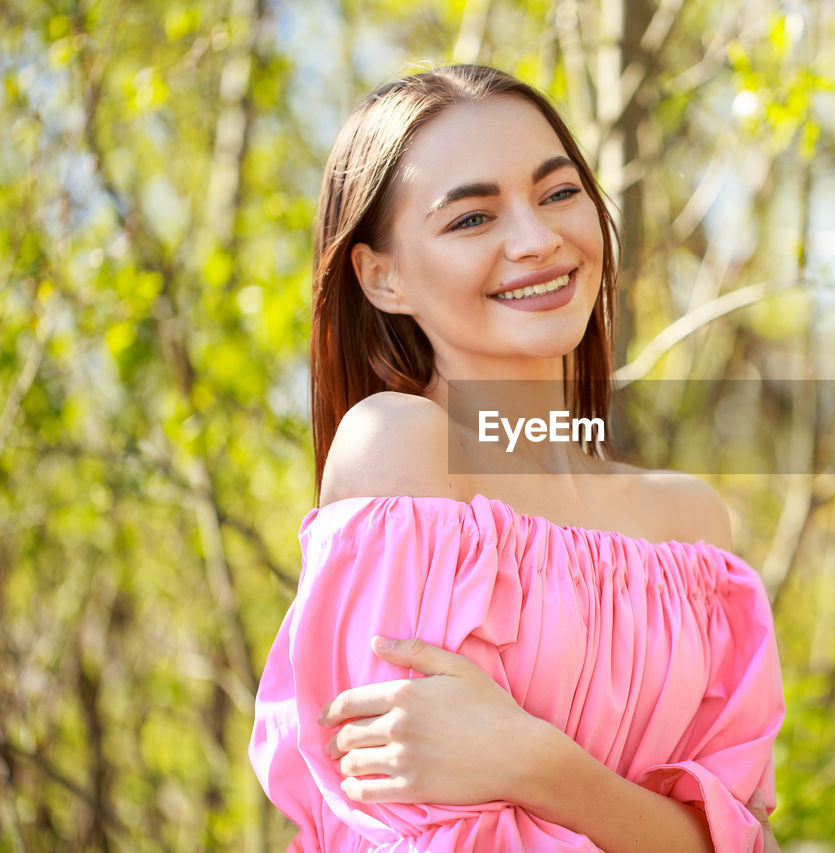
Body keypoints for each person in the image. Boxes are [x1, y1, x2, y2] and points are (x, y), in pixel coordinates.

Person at [249, 64, 785, 853]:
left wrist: (537, 763)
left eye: (559, 193)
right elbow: (409, 832)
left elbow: (744, 842)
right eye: (471, 218)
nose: (538, 241)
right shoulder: (399, 448)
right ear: (382, 275)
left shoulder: (692, 528)